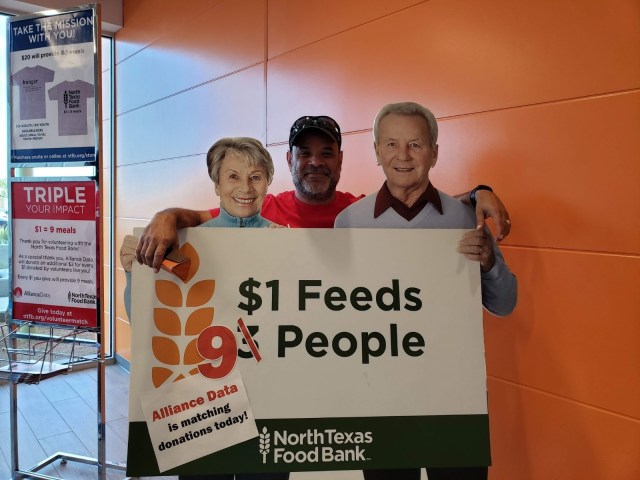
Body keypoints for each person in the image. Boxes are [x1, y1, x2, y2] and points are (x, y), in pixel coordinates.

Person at [334, 102, 518, 480]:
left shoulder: (465, 216)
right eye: (391, 144)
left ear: (435, 152)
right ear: (376, 151)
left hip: (455, 396)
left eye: (416, 145)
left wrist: (488, 263)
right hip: (381, 398)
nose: (403, 156)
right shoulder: (349, 222)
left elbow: (505, 304)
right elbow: (340, 310)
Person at [134, 115, 512, 271]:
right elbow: (197, 219)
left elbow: (424, 205)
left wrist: (479, 194)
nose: (315, 162)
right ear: (289, 160)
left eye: (326, 153)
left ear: (341, 160)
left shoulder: (362, 211)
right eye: (305, 153)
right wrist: (165, 217)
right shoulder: (260, 210)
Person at [120, 137, 287, 480]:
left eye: (256, 177)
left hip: (268, 400)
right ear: (216, 184)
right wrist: (132, 277)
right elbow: (148, 325)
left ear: (268, 183)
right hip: (203, 405)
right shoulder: (183, 245)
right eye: (233, 177)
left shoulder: (288, 242)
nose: (245, 187)